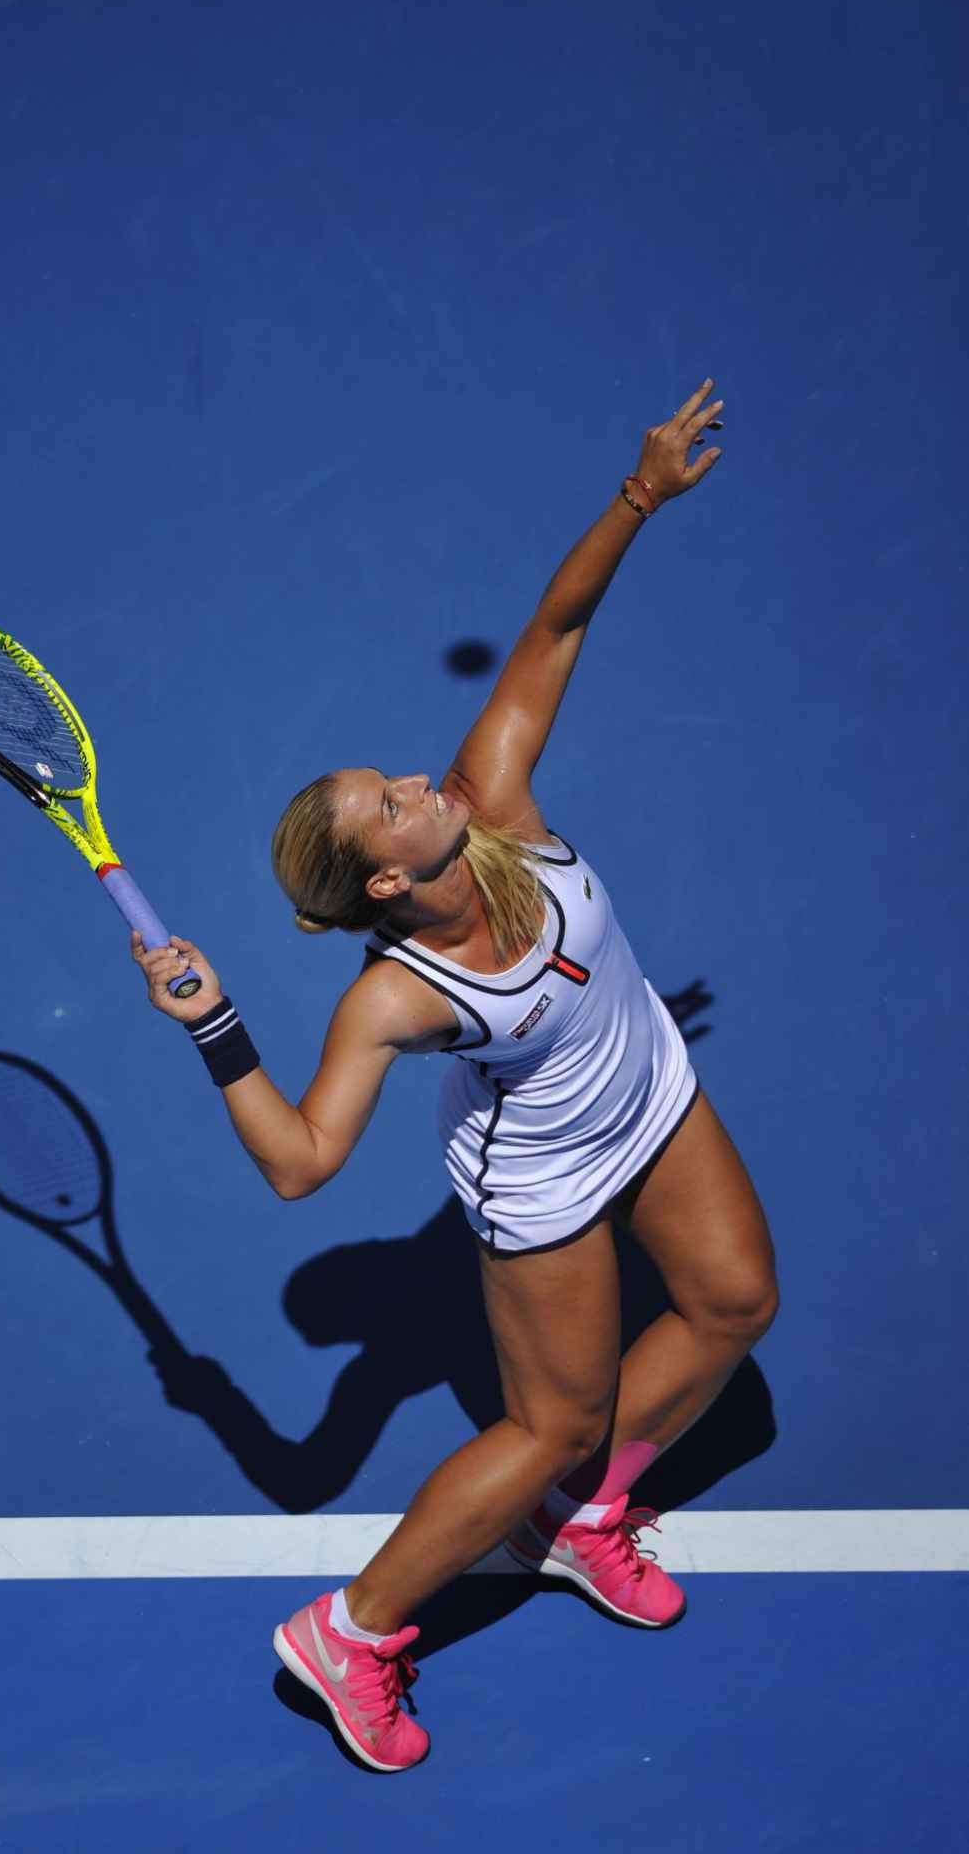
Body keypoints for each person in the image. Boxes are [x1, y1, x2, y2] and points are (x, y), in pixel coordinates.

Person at [131, 378, 778, 1774]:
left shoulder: (498, 797)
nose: (427, 780)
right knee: (548, 1423)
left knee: (730, 1301)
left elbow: (553, 631)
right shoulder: (393, 998)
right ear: (385, 875)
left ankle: (578, 1520)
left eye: (404, 774)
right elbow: (301, 1164)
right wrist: (212, 1026)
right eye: (397, 799)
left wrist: (639, 493)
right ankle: (352, 1634)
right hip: (540, 1181)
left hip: (647, 1091)